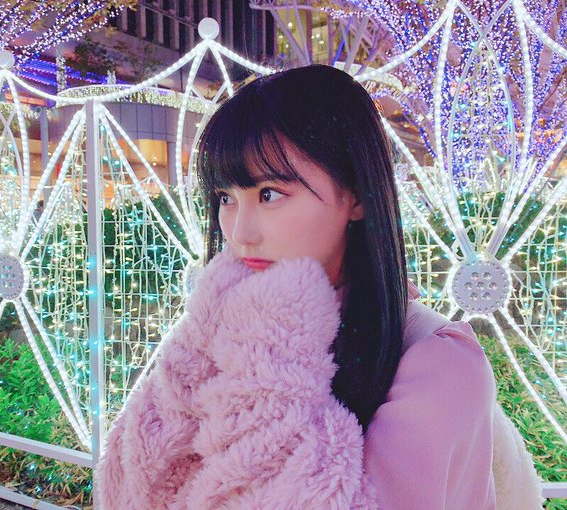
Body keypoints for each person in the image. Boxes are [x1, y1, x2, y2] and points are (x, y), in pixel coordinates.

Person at [96, 65, 542, 509]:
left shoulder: (436, 363)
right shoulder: (220, 330)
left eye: (269, 194)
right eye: (226, 198)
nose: (240, 232)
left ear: (357, 194)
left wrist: (269, 364)